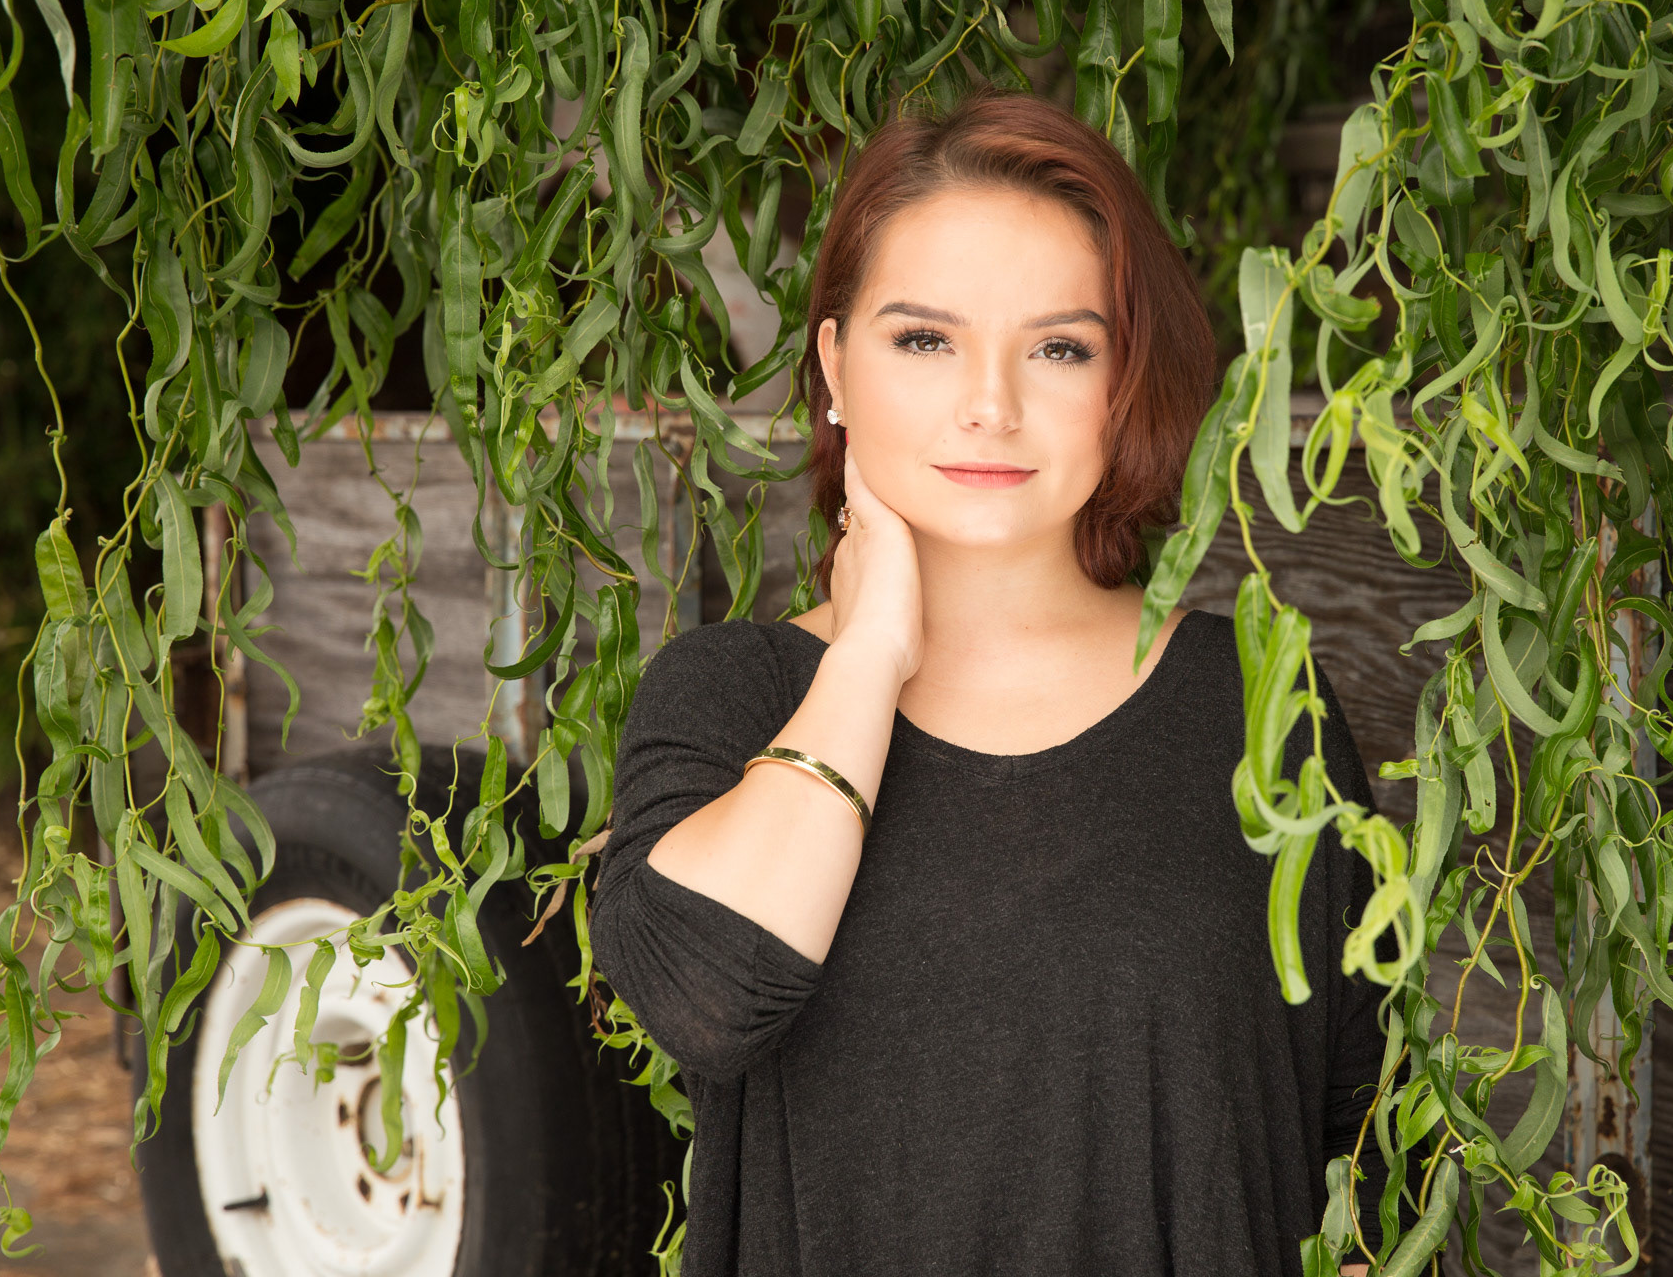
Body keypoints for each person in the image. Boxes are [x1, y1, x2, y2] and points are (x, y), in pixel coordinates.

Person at [589, 86, 1409, 1277]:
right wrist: (870, 653)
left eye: (1059, 347)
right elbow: (708, 994)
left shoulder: (1256, 702)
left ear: (1124, 380)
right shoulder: (731, 696)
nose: (991, 404)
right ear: (834, 364)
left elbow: (1368, 1159)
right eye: (925, 339)